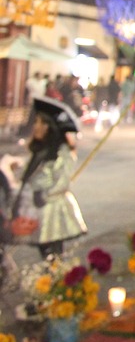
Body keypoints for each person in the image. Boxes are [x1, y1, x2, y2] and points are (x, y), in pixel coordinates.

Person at [12, 96, 87, 258]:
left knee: (53, 251)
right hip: (37, 209)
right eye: (36, 122)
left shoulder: (62, 152)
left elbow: (62, 180)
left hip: (52, 210)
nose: (36, 127)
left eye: (41, 123)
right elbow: (28, 176)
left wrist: (44, 194)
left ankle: (54, 281)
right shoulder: (39, 150)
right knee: (44, 251)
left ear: (51, 127)